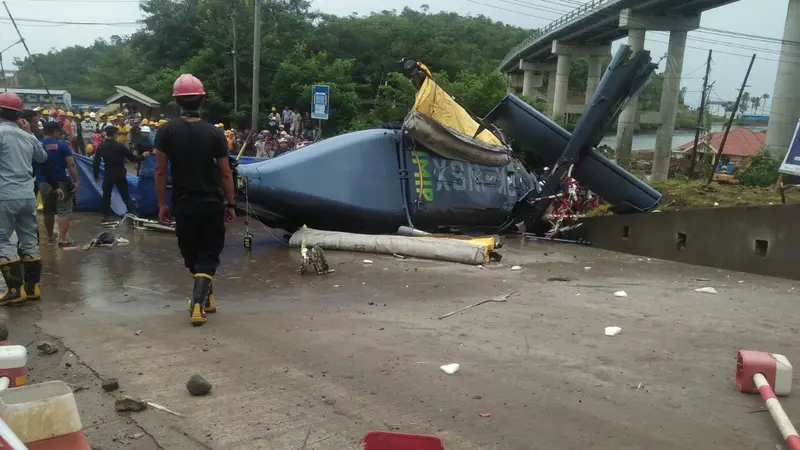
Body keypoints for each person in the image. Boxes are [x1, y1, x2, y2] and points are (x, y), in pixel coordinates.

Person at [154, 74, 235, 326]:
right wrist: (231, 203)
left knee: (192, 253)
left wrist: (161, 204)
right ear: (202, 99)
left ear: (177, 101)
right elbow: (224, 172)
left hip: (182, 203)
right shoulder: (215, 134)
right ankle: (200, 303)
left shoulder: (166, 131)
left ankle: (203, 300)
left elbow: (159, 170)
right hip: (211, 203)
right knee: (208, 253)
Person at [0, 92, 49, 305]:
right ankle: (32, 288)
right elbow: (42, 157)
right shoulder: (28, 136)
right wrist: (29, 133)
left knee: (1, 240)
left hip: (5, 195)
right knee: (29, 238)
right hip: (28, 195)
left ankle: (14, 290)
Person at [40, 121, 79, 247]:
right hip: (61, 182)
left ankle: (51, 236)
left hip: (43, 182)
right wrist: (76, 181)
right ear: (56, 131)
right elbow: (71, 164)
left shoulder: (38, 145)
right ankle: (62, 239)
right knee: (64, 210)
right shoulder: (62, 146)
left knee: (48, 210)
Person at [93, 126, 138, 222]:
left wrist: (96, 175)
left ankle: (106, 215)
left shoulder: (101, 146)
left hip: (108, 173)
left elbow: (96, 162)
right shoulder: (120, 146)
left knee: (106, 195)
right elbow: (132, 158)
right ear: (115, 134)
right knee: (125, 195)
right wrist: (143, 156)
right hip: (120, 173)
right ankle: (133, 214)